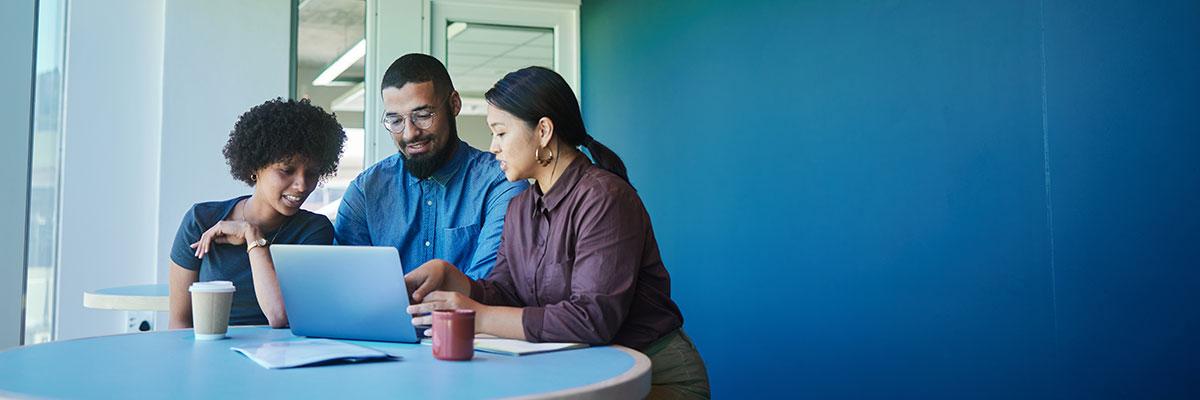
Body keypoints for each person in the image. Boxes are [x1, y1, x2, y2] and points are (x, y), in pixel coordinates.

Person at [404, 66, 711, 399]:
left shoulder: (604, 197)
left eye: (501, 132)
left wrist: (479, 317)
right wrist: (455, 279)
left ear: (543, 131)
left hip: (651, 377)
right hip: (585, 373)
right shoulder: (520, 207)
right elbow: (507, 293)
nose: (493, 146)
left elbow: (592, 320)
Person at [334, 53, 528, 279]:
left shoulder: (501, 181)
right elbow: (350, 285)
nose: (410, 133)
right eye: (396, 121)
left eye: (423, 115)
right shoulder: (365, 191)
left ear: (454, 104)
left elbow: (489, 285)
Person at [168, 98, 346, 329]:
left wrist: (252, 237)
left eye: (311, 173)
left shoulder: (313, 231)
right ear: (255, 167)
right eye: (286, 170)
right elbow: (179, 321)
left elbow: (279, 315)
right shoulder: (201, 221)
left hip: (283, 356)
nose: (302, 185)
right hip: (212, 352)